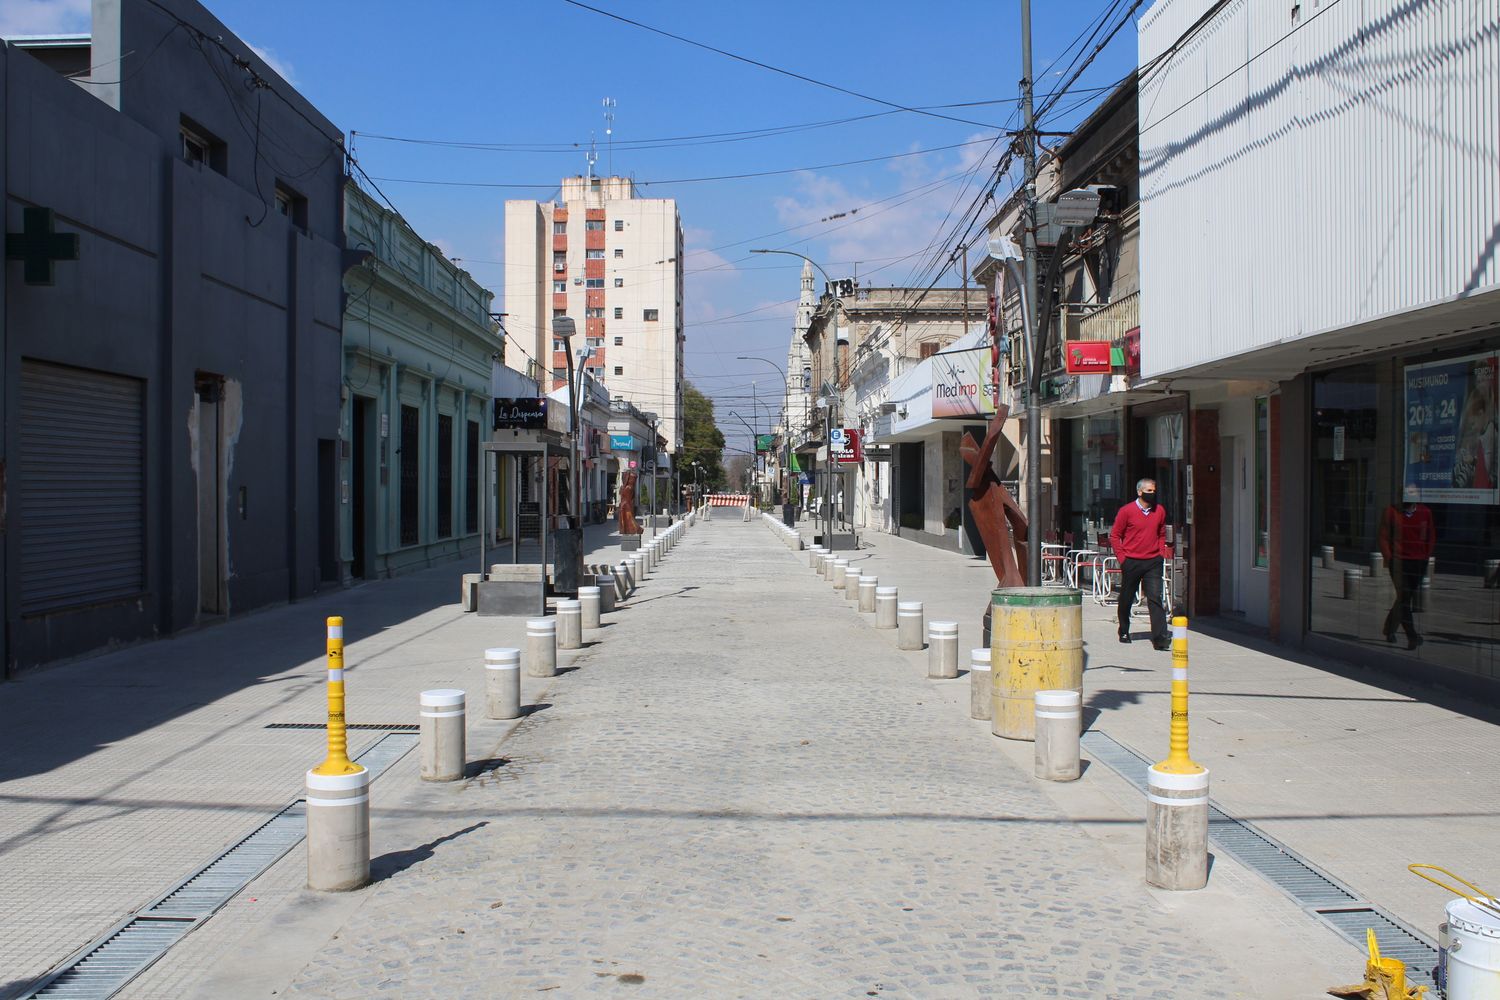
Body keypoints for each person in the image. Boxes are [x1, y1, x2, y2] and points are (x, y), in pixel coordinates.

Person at [1110, 477, 1171, 649]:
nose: (1152, 493)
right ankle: (1124, 629)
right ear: (1139, 492)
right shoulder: (1126, 511)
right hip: (1132, 561)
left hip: (1153, 561)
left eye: (1153, 490)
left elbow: (1161, 534)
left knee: (1155, 597)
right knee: (1127, 597)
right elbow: (1115, 536)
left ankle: (1160, 637)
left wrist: (1160, 553)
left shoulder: (1159, 511)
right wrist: (1123, 559)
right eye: (1148, 490)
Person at [1378, 486, 1435, 649]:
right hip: (1399, 562)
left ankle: (1389, 629)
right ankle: (1412, 636)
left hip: (1418, 562)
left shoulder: (1425, 512)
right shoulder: (1391, 512)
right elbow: (1383, 537)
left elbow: (1430, 536)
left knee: (1404, 598)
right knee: (1404, 598)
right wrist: (1390, 559)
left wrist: (1425, 556)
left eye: (1413, 494)